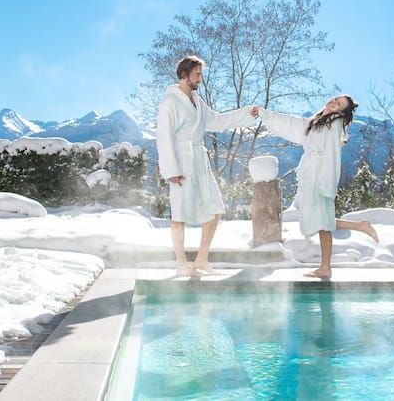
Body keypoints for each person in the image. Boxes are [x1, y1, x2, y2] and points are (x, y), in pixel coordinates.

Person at [252, 95, 378, 278]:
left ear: (341, 112)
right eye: (336, 99)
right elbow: (290, 123)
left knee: (323, 224)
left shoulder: (334, 125)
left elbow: (331, 157)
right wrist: (265, 114)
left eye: (340, 104)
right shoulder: (317, 121)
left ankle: (325, 267)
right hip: (310, 177)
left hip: (320, 179)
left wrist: (326, 185)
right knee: (320, 219)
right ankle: (360, 226)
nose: (334, 102)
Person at [157, 55, 257, 277]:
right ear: (184, 75)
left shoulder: (197, 102)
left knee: (215, 209)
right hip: (181, 163)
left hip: (200, 161)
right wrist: (171, 170)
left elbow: (219, 121)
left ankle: (201, 260)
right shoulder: (170, 103)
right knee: (179, 215)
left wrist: (246, 114)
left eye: (201, 74)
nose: (200, 79)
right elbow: (164, 137)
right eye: (197, 74)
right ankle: (182, 264)